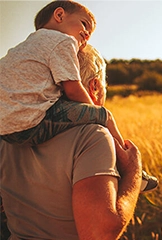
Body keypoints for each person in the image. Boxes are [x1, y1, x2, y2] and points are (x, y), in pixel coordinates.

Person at [0, 0, 157, 192]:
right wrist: (94, 113)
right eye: (84, 24)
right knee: (104, 116)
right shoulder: (63, 41)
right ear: (59, 15)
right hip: (32, 123)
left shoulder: (21, 49)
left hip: (6, 130)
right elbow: (73, 89)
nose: (87, 34)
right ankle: (130, 168)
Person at [0, 44, 146, 239]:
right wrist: (133, 174)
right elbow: (100, 234)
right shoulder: (92, 136)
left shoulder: (10, 134)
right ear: (94, 87)